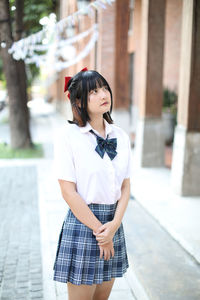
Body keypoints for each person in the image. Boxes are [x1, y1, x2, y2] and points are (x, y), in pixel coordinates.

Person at [53, 67, 132, 300]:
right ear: (78, 101)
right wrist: (101, 232)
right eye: (94, 91)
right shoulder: (68, 137)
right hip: (84, 224)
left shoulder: (121, 136)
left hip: (113, 224)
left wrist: (114, 224)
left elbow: (126, 187)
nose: (103, 94)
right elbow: (68, 192)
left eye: (104, 88)